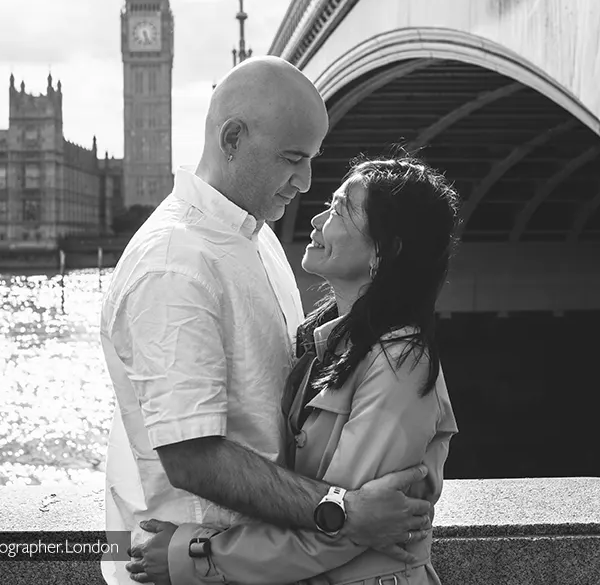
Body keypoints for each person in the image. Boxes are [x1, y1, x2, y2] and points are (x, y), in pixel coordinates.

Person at [100, 57, 436, 585]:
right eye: (291, 159)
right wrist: (340, 509)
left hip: (256, 565)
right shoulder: (174, 264)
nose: (305, 182)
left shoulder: (259, 238)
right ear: (232, 137)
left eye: (310, 161)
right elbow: (194, 458)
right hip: (187, 567)